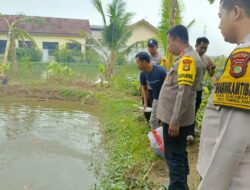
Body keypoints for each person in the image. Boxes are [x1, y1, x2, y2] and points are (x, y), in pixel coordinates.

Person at [198, 0, 250, 189]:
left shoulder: (244, 58)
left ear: (236, 12)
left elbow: (231, 143)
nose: (219, 24)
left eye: (221, 17)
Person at [156, 25, 202, 189]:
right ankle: (182, 184)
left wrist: (174, 120)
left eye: (169, 42)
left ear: (177, 39)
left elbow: (184, 93)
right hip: (177, 118)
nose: (168, 47)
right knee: (179, 155)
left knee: (174, 157)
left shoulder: (188, 59)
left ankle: (178, 186)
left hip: (176, 120)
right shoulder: (185, 57)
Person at [186, 37, 216, 143]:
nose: (203, 50)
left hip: (198, 90)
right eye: (201, 47)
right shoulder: (190, 57)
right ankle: (186, 132)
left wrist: (212, 68)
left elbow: (211, 73)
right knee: (186, 111)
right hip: (188, 89)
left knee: (194, 110)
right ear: (196, 46)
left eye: (206, 48)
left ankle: (190, 132)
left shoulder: (206, 58)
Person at [136, 52, 166, 130]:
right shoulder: (142, 74)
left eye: (138, 62)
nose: (136, 64)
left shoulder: (161, 71)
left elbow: (169, 88)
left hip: (167, 98)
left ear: (144, 62)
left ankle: (164, 136)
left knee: (165, 120)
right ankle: (156, 139)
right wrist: (145, 103)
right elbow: (144, 88)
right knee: (153, 120)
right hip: (156, 98)